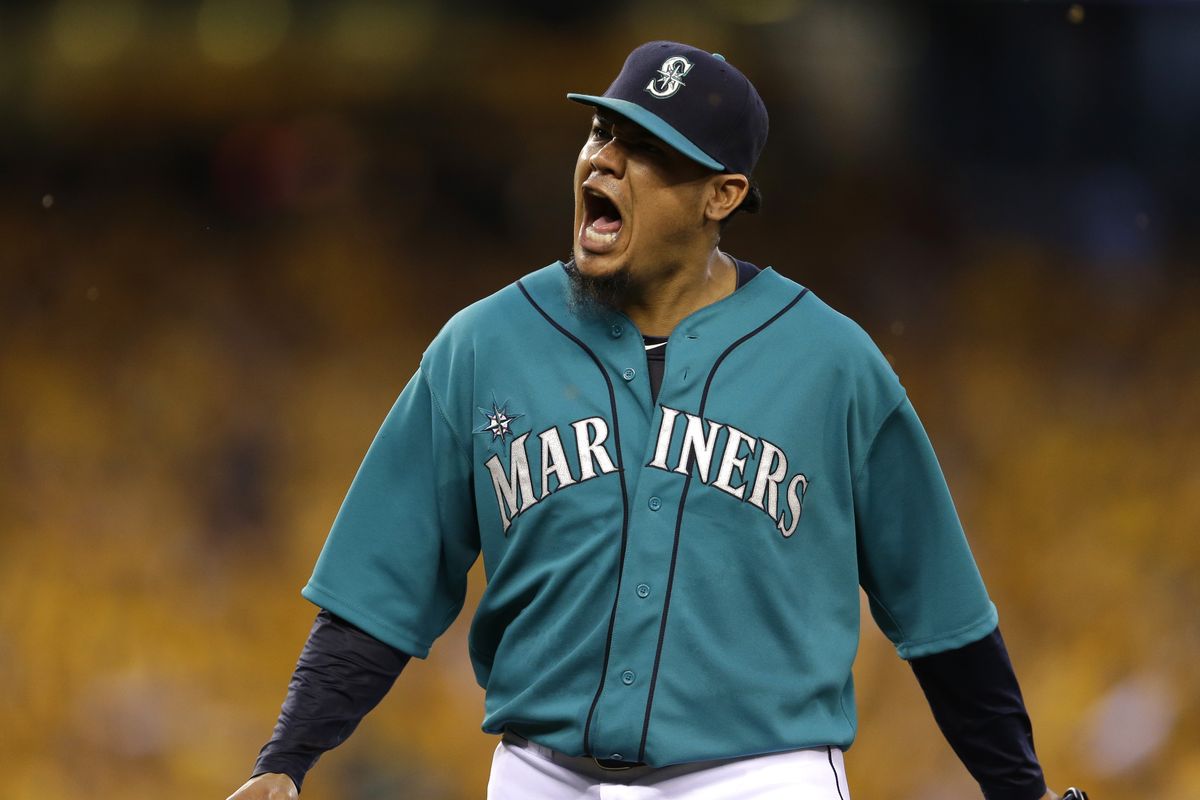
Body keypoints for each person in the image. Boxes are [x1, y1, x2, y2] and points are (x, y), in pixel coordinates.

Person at [227, 41, 1077, 800]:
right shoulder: (483, 345)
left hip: (760, 775)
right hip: (540, 773)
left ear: (722, 195)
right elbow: (380, 588)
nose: (607, 162)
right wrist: (285, 758)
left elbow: (943, 616)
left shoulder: (832, 363)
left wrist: (1020, 789)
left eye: (647, 151)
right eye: (602, 135)